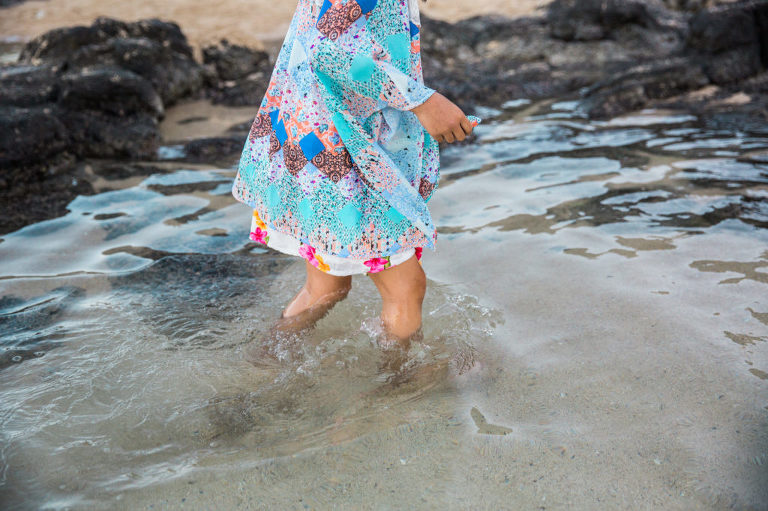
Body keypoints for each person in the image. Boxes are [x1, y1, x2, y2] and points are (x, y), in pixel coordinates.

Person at [231, 0, 478, 361]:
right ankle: (401, 394)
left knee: (327, 287)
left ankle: (263, 363)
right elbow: (328, 47)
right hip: (343, 151)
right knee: (406, 289)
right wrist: (422, 102)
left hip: (316, 140)